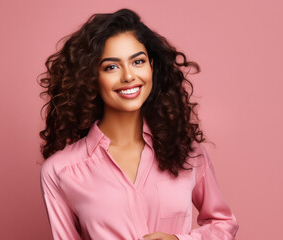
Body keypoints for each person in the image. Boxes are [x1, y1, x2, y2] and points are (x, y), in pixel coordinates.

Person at [38, 8, 239, 240]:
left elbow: (223, 223)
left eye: (138, 61)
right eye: (111, 66)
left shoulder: (187, 152)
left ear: (151, 66)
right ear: (91, 78)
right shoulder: (61, 171)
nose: (128, 76)